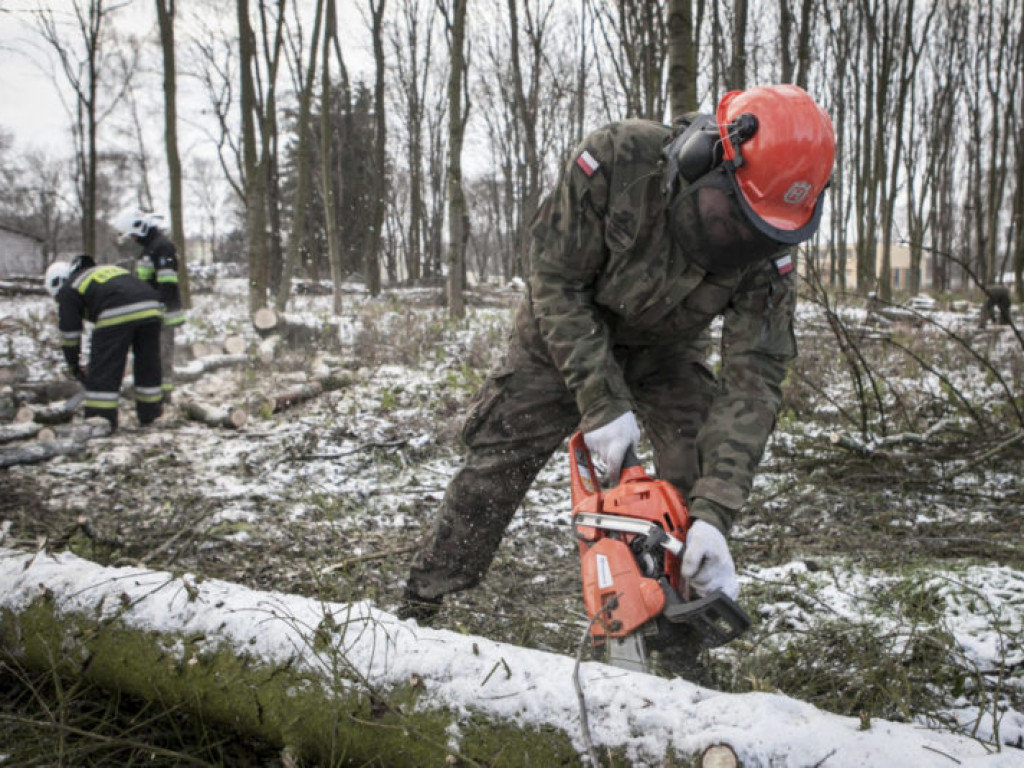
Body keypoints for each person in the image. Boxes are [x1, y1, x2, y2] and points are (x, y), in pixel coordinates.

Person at [400, 84, 836, 646]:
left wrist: (714, 512)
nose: (740, 239)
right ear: (704, 160)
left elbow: (755, 377)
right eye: (732, 218)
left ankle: (671, 623)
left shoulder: (768, 248)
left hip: (668, 352)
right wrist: (602, 401)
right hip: (566, 330)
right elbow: (554, 280)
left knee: (693, 461)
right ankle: (425, 601)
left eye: (759, 231)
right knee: (500, 457)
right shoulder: (617, 161)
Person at [45, 254, 164, 429]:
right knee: (148, 363)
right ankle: (150, 413)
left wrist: (74, 365)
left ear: (58, 283)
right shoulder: (101, 271)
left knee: (104, 368)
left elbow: (70, 333)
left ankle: (100, 419)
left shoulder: (69, 288)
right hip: (151, 306)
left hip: (116, 309)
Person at [112, 208, 185, 403]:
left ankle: (163, 395)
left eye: (134, 236)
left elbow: (167, 283)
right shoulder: (149, 249)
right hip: (151, 312)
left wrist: (158, 309)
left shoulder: (162, 247)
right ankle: (152, 393)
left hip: (164, 314)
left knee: (162, 355)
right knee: (151, 356)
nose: (133, 240)